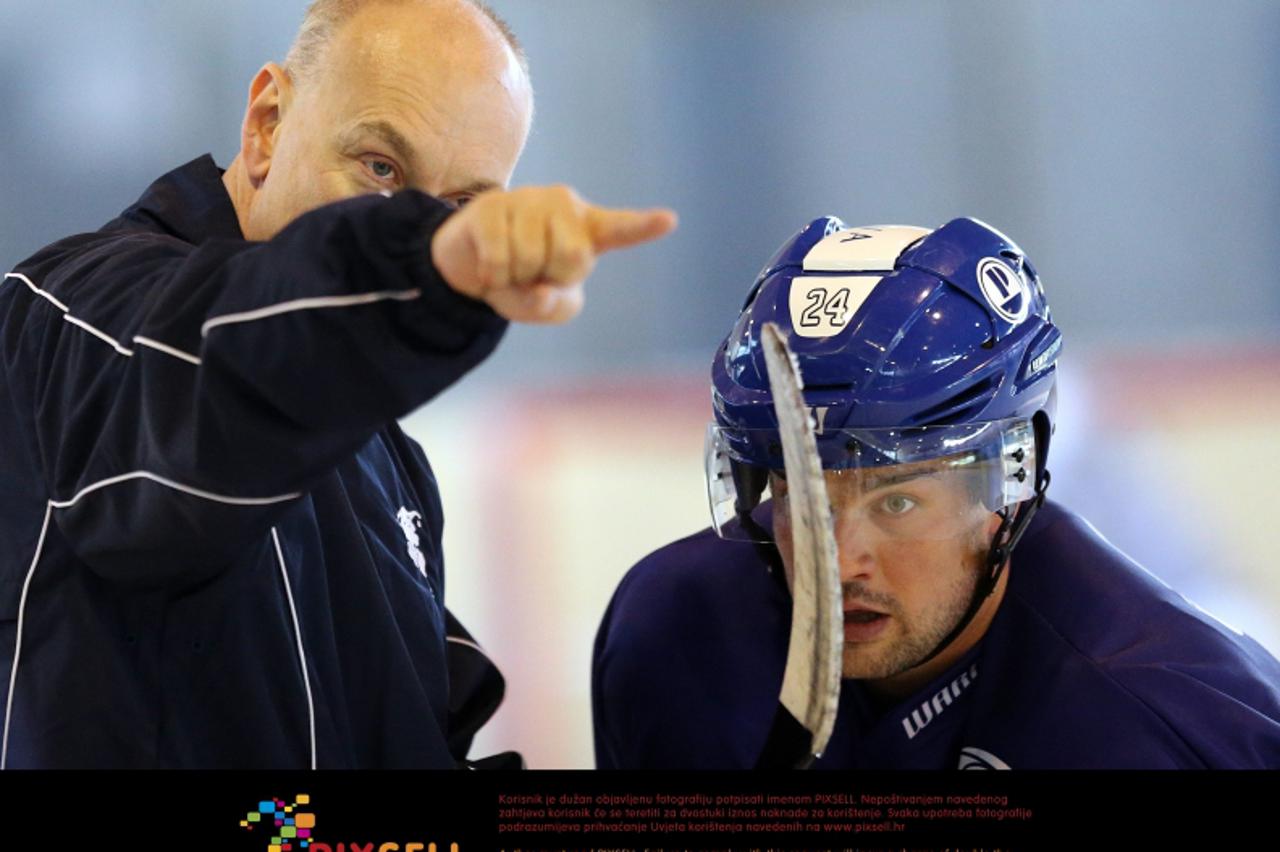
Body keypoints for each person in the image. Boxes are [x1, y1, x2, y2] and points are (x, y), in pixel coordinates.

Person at [0, 0, 675, 769]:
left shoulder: (391, 461)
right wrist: (431, 266)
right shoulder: (74, 313)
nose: (422, 222)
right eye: (381, 168)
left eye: (462, 207)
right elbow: (226, 365)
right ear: (266, 124)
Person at [592, 216, 1280, 769]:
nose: (839, 560)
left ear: (1007, 493)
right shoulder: (672, 633)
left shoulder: (1169, 725)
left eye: (896, 502)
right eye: (803, 498)